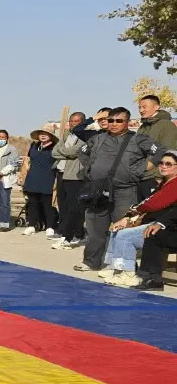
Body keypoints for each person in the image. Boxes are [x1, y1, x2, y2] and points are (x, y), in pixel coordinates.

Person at [74, 107, 162, 273]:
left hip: (125, 191)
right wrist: (91, 168)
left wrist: (141, 169)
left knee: (122, 228)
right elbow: (82, 152)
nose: (114, 124)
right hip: (98, 190)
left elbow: (159, 152)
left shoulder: (138, 139)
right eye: (111, 120)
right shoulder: (98, 138)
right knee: (95, 228)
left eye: (119, 121)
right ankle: (91, 262)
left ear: (127, 122)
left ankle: (118, 266)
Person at [99, 150, 177, 287]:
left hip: (166, 228)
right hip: (154, 223)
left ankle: (128, 274)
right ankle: (114, 268)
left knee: (124, 236)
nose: (163, 166)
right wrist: (127, 217)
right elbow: (146, 203)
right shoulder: (164, 183)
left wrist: (132, 216)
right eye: (161, 163)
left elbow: (153, 204)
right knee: (117, 229)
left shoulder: (174, 185)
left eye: (168, 164)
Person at [51, 111, 91, 248]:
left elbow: (74, 152)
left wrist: (65, 151)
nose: (73, 124)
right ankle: (63, 230)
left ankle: (77, 233)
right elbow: (54, 152)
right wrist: (66, 152)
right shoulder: (67, 135)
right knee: (63, 204)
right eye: (71, 121)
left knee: (75, 206)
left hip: (75, 175)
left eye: (76, 121)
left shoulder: (85, 136)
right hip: (61, 173)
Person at [137, 94, 177, 200]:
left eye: (144, 107)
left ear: (156, 107)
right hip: (141, 177)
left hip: (155, 178)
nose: (141, 110)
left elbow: (169, 153)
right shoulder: (142, 127)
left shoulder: (166, 125)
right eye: (139, 107)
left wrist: (160, 176)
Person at [21, 129, 59, 236]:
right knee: (32, 203)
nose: (43, 136)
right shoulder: (34, 145)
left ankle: (50, 227)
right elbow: (28, 160)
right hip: (32, 178)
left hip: (48, 179)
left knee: (48, 205)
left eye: (46, 134)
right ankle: (31, 225)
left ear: (51, 136)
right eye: (41, 134)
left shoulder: (55, 148)